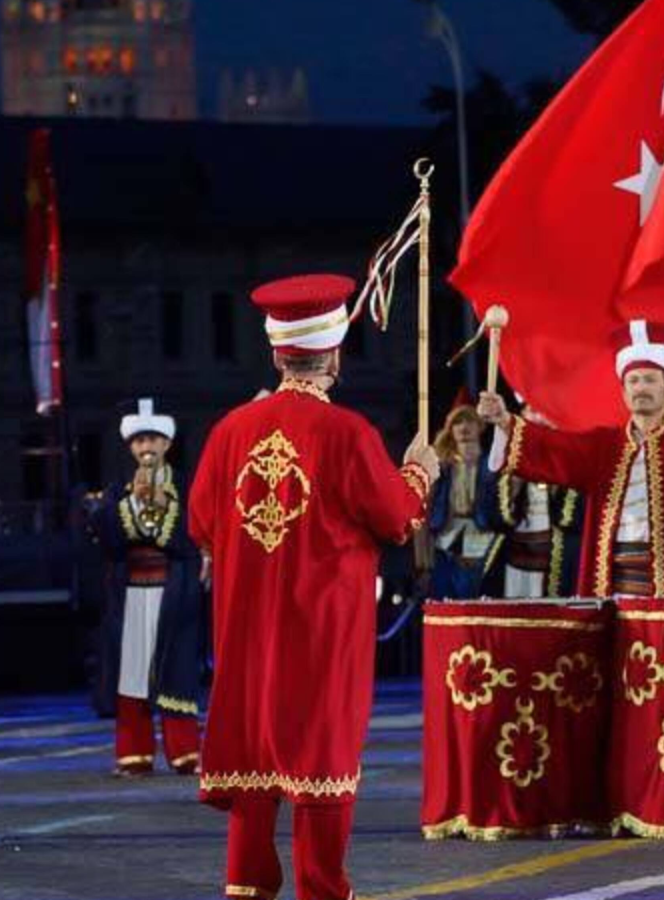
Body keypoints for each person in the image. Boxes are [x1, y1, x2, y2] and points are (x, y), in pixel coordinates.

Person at [190, 274, 438, 900]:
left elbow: (200, 523)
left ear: (278, 353)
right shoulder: (348, 432)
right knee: (320, 748)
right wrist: (420, 473)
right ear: (332, 354)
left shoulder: (229, 431)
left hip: (248, 621)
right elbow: (393, 516)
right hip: (323, 623)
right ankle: (322, 887)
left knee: (255, 739)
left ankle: (246, 881)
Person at [476, 321, 664, 598]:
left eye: (650, 380)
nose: (641, 388)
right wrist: (504, 421)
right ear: (624, 392)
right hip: (610, 585)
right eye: (633, 380)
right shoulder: (604, 445)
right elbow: (554, 448)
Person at [88, 398, 205, 777]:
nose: (147, 448)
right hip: (133, 595)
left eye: (153, 439)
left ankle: (185, 750)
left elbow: (191, 540)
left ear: (167, 445)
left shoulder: (184, 491)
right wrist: (133, 508)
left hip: (172, 595)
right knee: (133, 675)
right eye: (140, 442)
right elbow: (108, 540)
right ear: (130, 448)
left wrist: (161, 506)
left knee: (176, 671)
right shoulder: (117, 495)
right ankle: (134, 751)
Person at [476, 402, 583, 598]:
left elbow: (575, 519)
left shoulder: (571, 455)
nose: (538, 417)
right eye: (532, 410)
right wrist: (513, 485)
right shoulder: (503, 456)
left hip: (558, 566)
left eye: (542, 412)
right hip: (514, 567)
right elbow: (489, 517)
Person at [428, 400, 503, 598]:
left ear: (480, 426)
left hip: (482, 535)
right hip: (446, 537)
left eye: (469, 420)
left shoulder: (492, 465)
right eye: (457, 422)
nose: (463, 427)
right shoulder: (443, 467)